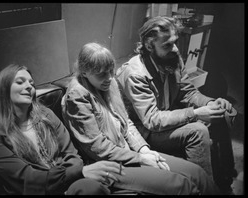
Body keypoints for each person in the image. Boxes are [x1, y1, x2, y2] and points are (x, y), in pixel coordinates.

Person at [61, 42, 220, 195]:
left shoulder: (109, 83)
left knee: (196, 172)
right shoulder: (77, 95)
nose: (109, 77)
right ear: (84, 72)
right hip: (109, 165)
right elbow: (97, 148)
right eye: (102, 74)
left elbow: (127, 123)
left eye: (111, 71)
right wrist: (140, 158)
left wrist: (144, 149)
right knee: (180, 184)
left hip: (129, 152)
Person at [115, 16, 236, 194]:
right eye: (167, 45)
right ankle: (205, 189)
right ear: (149, 46)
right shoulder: (134, 73)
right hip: (148, 132)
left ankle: (225, 179)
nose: (175, 49)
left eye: (175, 42)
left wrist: (210, 103)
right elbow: (152, 120)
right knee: (197, 130)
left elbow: (188, 92)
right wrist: (196, 113)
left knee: (224, 112)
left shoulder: (172, 57)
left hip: (167, 117)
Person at [0, 64, 124, 195]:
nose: (29, 86)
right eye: (20, 82)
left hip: (72, 184)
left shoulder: (46, 115)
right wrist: (79, 173)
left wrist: (72, 177)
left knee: (93, 185)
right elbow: (29, 179)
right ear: (3, 90)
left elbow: (72, 155)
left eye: (31, 83)